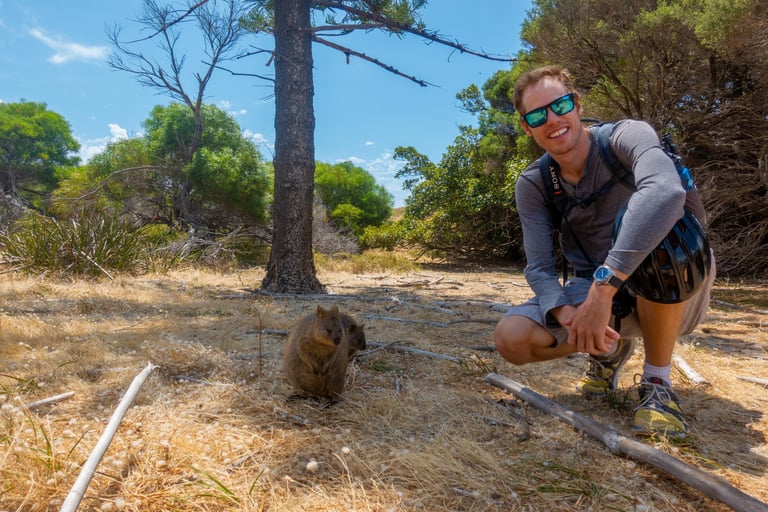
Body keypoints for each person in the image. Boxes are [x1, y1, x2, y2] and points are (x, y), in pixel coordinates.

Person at [493, 65, 716, 438]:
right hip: (600, 299)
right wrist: (567, 315)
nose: (552, 119)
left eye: (559, 105)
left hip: (677, 279)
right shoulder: (534, 183)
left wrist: (604, 285)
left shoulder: (627, 136)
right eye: (536, 115)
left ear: (577, 105)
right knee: (512, 339)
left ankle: (657, 385)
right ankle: (608, 351)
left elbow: (667, 192)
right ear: (527, 128)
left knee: (658, 226)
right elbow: (539, 268)